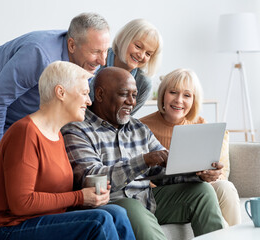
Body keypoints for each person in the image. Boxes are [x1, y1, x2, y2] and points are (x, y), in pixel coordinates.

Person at [0, 62, 135, 240]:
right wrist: (80, 197)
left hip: (44, 221)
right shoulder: (26, 133)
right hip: (6, 229)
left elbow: (54, 195)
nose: (89, 101)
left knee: (117, 213)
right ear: (61, 93)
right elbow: (21, 203)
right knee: (99, 220)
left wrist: (89, 195)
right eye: (84, 93)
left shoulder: (57, 135)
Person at [61, 67, 224, 240]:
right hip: (110, 203)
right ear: (100, 94)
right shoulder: (77, 130)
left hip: (145, 198)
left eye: (134, 95)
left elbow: (164, 170)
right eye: (124, 94)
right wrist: (144, 161)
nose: (131, 102)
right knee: (131, 207)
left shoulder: (138, 128)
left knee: (202, 192)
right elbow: (92, 178)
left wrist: (200, 173)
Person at [0, 12, 110, 143]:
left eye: (105, 51)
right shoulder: (38, 55)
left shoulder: (89, 64)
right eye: (95, 52)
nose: (102, 61)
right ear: (72, 45)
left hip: (9, 117)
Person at [140, 68, 242, 226]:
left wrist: (213, 173)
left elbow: (214, 171)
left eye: (187, 95)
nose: (179, 100)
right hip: (165, 192)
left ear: (194, 100)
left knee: (225, 187)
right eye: (173, 92)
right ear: (163, 95)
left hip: (197, 185)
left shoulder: (201, 124)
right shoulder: (142, 127)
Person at [89, 18, 163, 115]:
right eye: (138, 46)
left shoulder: (143, 84)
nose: (141, 55)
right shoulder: (96, 60)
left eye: (148, 54)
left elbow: (124, 120)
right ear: (124, 38)